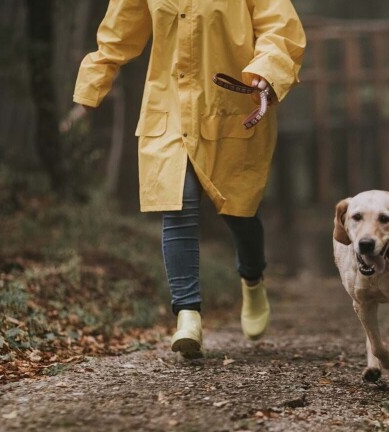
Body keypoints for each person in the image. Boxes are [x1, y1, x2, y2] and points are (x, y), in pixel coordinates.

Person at [73, 0, 306, 358]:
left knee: (239, 211)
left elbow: (280, 27)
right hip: (170, 109)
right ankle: (188, 315)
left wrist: (268, 68)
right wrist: (94, 82)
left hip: (229, 108)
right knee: (177, 203)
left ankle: (253, 278)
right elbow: (117, 33)